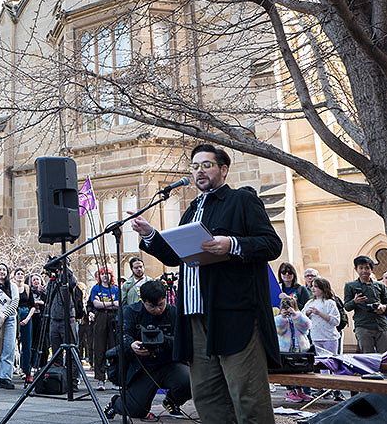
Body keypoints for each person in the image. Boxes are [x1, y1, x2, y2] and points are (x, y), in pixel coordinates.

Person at [132, 143, 282, 424]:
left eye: (207, 165)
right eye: (195, 166)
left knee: (247, 395)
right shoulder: (191, 210)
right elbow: (177, 257)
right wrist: (151, 235)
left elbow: (271, 245)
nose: (199, 171)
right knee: (207, 397)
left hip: (232, 313)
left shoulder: (241, 201)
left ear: (223, 170)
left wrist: (231, 244)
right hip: (194, 316)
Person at [105, 281, 191, 420]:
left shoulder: (174, 312)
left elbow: (183, 341)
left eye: (161, 305)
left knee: (190, 381)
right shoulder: (131, 311)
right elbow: (122, 335)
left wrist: (164, 340)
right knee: (136, 410)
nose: (157, 309)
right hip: (142, 368)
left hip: (169, 365)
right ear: (143, 301)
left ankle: (172, 401)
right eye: (152, 306)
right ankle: (116, 403)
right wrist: (132, 345)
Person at [343, 255, 387, 353]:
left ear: (371, 269)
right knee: (367, 358)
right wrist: (354, 302)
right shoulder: (350, 286)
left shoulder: (380, 286)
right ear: (356, 269)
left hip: (381, 325)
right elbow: (346, 306)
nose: (364, 271)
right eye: (361, 268)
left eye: (367, 268)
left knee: (384, 358)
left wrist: (383, 307)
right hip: (363, 326)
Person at [275, 294, 312, 402]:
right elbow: (279, 331)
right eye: (285, 306)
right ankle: (290, 391)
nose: (287, 308)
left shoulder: (300, 316)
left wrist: (295, 315)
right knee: (287, 371)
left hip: (299, 348)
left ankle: (300, 391)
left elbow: (306, 327)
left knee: (300, 371)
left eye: (289, 306)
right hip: (285, 349)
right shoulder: (278, 319)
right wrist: (283, 317)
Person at [88, 266, 119, 391]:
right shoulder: (96, 288)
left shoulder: (115, 289)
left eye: (107, 274)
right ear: (99, 276)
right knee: (99, 348)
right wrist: (110, 304)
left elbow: (118, 305)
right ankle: (100, 379)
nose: (105, 276)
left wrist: (103, 304)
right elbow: (96, 304)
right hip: (100, 318)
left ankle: (115, 379)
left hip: (113, 319)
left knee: (114, 348)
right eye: (102, 274)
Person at [13, 267, 36, 382]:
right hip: (14, 316)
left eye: (22, 274)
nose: (20, 275)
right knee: (11, 344)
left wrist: (27, 318)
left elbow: (32, 306)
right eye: (18, 274)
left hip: (26, 316)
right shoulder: (11, 288)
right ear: (14, 276)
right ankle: (8, 372)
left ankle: (27, 371)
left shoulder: (27, 289)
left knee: (27, 345)